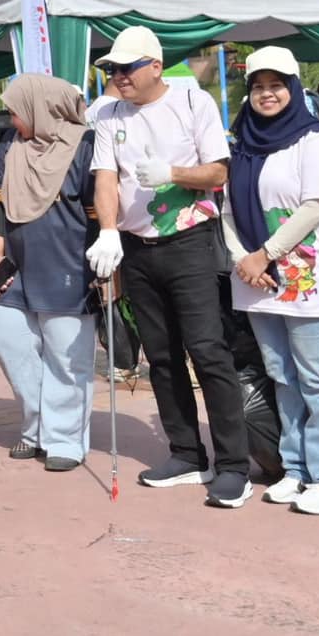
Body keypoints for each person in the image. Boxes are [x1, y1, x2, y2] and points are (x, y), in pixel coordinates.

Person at [85, 27, 250, 507]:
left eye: (126, 68)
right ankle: (186, 453)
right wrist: (109, 231)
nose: (118, 77)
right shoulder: (109, 114)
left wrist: (174, 174)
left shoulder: (192, 102)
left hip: (190, 241)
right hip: (137, 247)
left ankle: (234, 464)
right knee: (160, 355)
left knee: (207, 350)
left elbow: (218, 171)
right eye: (112, 69)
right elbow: (106, 179)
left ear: (155, 65)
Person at [223, 49, 319, 514]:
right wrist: (243, 258)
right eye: (258, 86)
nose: (267, 94)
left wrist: (265, 254)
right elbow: (228, 210)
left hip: (306, 280)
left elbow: (316, 206)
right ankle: (296, 469)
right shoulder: (242, 143)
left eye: (276, 85)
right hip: (256, 283)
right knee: (282, 378)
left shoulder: (315, 139)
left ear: (294, 89)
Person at [0, 73, 97, 474]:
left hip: (68, 264)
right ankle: (37, 426)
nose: (12, 120)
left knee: (68, 359)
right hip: (17, 267)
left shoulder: (85, 145)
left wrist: (101, 257)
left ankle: (65, 439)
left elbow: (98, 205)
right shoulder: (13, 146)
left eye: (17, 112)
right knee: (8, 339)